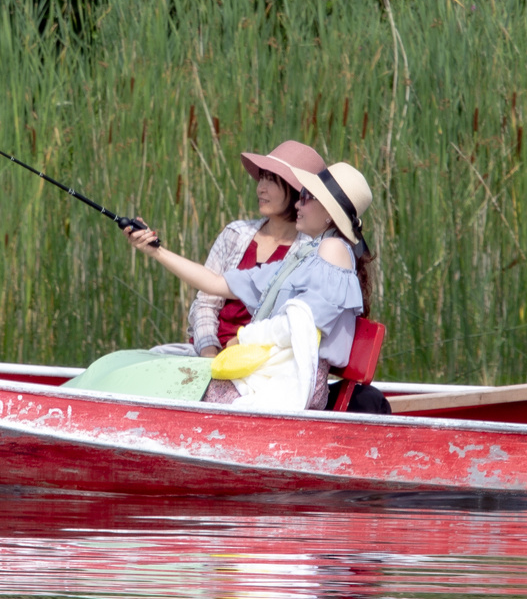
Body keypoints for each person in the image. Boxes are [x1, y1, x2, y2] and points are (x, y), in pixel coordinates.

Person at [127, 161, 373, 410]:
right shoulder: (307, 256)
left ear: (329, 212)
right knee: (176, 381)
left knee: (181, 388)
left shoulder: (332, 250)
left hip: (292, 382)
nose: (298, 203)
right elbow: (216, 283)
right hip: (274, 372)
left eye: (307, 197)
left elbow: (299, 324)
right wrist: (156, 251)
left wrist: (242, 338)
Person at [152, 141, 322, 358]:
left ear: (296, 192)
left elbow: (284, 326)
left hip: (256, 362)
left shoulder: (307, 254)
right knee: (150, 358)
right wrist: (208, 351)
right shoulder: (236, 234)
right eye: (261, 178)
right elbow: (206, 301)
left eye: (272, 180)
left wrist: (236, 351)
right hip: (206, 352)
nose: (261, 188)